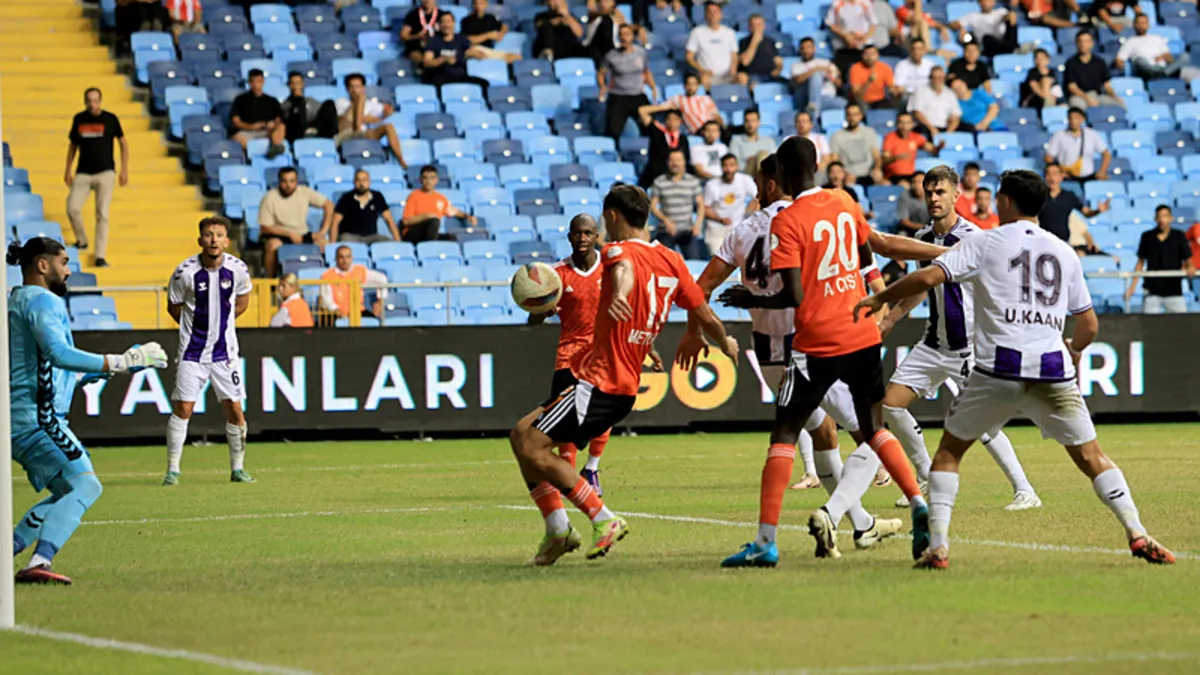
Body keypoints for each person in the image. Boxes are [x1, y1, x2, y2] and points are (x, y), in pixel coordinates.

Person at [854, 169, 1176, 569]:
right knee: (1092, 456)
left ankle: (938, 547)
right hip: (1053, 370)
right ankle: (1137, 531)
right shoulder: (1064, 251)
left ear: (1004, 202)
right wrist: (1074, 348)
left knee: (949, 454)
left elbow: (927, 276)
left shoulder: (985, 241)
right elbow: (1089, 324)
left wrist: (881, 297)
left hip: (998, 368)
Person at [715, 136, 945, 562]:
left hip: (817, 341)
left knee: (784, 433)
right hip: (861, 333)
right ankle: (918, 503)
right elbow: (873, 251)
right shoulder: (844, 201)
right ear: (818, 165)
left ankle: (765, 543)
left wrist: (753, 300)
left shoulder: (789, 221)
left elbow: (794, 295)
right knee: (875, 427)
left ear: (781, 175)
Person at [685, 155, 904, 567]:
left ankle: (861, 522)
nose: (752, 189)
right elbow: (842, 269)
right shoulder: (811, 216)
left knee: (822, 435)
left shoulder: (742, 232)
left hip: (770, 352)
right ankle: (858, 513)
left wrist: (696, 331)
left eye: (755, 181)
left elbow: (701, 289)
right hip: (815, 344)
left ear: (770, 184)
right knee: (870, 433)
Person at [510, 183, 738, 566]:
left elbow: (626, 270)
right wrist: (725, 341)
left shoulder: (616, 252)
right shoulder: (674, 261)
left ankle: (601, 518)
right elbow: (703, 313)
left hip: (598, 381)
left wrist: (619, 294)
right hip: (622, 387)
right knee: (521, 435)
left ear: (612, 217)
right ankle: (557, 530)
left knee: (534, 446)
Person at [7, 238, 167, 585]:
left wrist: (108, 368)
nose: (69, 270)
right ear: (42, 265)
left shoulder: (17, 300)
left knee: (67, 491)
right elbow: (59, 354)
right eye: (63, 262)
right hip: (39, 420)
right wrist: (122, 361)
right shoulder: (42, 301)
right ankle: (39, 562)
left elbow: (47, 368)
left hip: (22, 418)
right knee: (86, 486)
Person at [881, 177, 1041, 513]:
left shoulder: (975, 239)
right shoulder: (923, 238)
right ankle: (924, 475)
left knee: (983, 424)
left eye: (940, 192)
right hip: (933, 343)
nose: (933, 198)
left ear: (956, 195)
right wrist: (892, 318)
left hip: (968, 346)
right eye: (929, 193)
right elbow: (922, 286)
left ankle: (1025, 489)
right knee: (891, 405)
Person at [527, 215, 630, 496]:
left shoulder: (610, 269)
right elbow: (532, 320)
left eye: (588, 233)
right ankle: (568, 475)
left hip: (604, 351)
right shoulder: (556, 274)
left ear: (596, 236)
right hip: (569, 355)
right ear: (569, 236)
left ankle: (592, 468)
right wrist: (541, 311)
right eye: (577, 234)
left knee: (603, 416)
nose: (582, 239)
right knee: (567, 420)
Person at [163, 216, 255, 487]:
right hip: (192, 353)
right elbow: (174, 307)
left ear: (227, 240)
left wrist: (221, 324)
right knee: (183, 408)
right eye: (208, 235)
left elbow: (243, 301)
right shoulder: (184, 272)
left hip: (225, 355)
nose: (213, 239)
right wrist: (197, 326)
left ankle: (238, 469)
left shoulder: (238, 269)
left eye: (218, 235)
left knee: (235, 410)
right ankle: (173, 470)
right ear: (200, 240)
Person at [65, 87, 128, 269]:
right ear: (85, 102)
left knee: (102, 213)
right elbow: (73, 146)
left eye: (95, 100)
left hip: (105, 172)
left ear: (100, 101)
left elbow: (123, 143)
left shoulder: (110, 119)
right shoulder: (79, 119)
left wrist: (124, 169)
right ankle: (82, 240)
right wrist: (68, 169)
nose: (92, 104)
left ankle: (100, 255)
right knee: (72, 207)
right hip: (83, 171)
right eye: (89, 101)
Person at [259, 167, 334, 278]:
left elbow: (329, 205)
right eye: (284, 181)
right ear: (279, 182)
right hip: (280, 235)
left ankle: (325, 280)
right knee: (272, 245)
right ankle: (270, 282)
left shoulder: (304, 191)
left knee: (325, 244)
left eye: (292, 181)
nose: (288, 185)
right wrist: (290, 234)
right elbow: (265, 227)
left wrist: (323, 230)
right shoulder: (269, 197)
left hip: (302, 234)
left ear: (296, 181)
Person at [1125, 205, 1196, 313]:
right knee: (1148, 326)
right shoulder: (1147, 236)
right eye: (1159, 216)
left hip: (1174, 291)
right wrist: (1132, 288)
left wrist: (1190, 267)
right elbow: (1140, 263)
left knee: (1182, 325)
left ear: (1171, 218)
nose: (1162, 220)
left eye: (1165, 216)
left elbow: (1188, 259)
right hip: (1152, 291)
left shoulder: (1179, 236)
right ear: (1155, 219)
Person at [598, 23, 657, 141]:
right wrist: (603, 86)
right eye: (620, 35)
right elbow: (601, 72)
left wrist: (653, 87)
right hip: (618, 96)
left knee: (651, 127)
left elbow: (646, 71)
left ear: (632, 37)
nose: (623, 37)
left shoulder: (641, 53)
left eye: (626, 34)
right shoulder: (611, 55)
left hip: (637, 95)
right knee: (612, 131)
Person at [334, 75, 405, 167]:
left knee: (388, 127)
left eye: (358, 86)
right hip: (347, 133)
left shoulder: (369, 104)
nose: (355, 90)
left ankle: (401, 160)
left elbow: (389, 109)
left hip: (364, 134)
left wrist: (377, 119)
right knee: (360, 98)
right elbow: (341, 122)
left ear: (363, 87)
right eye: (352, 87)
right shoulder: (341, 102)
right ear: (347, 89)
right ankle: (358, 131)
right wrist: (364, 117)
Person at [651, 149, 707, 259]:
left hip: (687, 230)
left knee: (695, 259)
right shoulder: (659, 181)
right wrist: (666, 220)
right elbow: (653, 207)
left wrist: (697, 225)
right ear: (667, 162)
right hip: (666, 230)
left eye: (678, 160)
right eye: (672, 160)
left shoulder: (692, 181)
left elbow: (701, 205)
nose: (675, 163)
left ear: (684, 162)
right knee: (660, 260)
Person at [1041, 162, 1114, 245]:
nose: (1051, 178)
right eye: (1048, 174)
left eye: (1055, 174)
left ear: (1061, 176)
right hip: (1043, 242)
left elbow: (1086, 212)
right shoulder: (1039, 196)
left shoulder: (1069, 196)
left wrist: (1098, 211)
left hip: (1063, 242)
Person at [402, 165, 476, 242]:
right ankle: (431, 249)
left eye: (431, 178)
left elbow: (453, 211)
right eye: (425, 178)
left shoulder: (440, 198)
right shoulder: (414, 196)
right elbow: (406, 221)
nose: (428, 181)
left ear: (436, 180)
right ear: (420, 180)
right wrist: (427, 216)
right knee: (433, 221)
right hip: (413, 233)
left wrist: (467, 216)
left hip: (430, 234)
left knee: (452, 239)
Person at [423, 14, 494, 94]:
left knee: (483, 83)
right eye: (443, 22)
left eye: (448, 21)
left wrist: (471, 54)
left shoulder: (461, 39)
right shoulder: (433, 41)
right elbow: (427, 62)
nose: (446, 25)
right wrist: (443, 59)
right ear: (439, 25)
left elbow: (477, 54)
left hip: (460, 76)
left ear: (453, 23)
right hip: (442, 77)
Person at [702, 153, 758, 254]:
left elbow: (757, 197)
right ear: (721, 167)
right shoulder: (711, 185)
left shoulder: (745, 180)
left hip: (738, 227)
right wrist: (720, 219)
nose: (728, 169)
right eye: (725, 165)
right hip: (716, 228)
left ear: (737, 166)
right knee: (718, 259)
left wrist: (747, 212)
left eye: (732, 165)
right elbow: (705, 208)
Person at [1114, 13, 1192, 81]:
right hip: (1145, 70)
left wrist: (1162, 56)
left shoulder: (1157, 38)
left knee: (1185, 56)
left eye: (1144, 23)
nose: (1141, 25)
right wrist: (1124, 70)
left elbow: (1169, 58)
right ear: (1134, 25)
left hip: (1161, 67)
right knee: (1139, 60)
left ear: (1148, 24)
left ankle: (1162, 73)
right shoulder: (1130, 41)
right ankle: (1161, 74)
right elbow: (1120, 59)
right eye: (1139, 23)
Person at [332, 169, 401, 244]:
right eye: (358, 180)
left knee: (388, 244)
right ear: (354, 182)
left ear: (369, 182)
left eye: (364, 180)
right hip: (351, 236)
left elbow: (389, 219)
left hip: (372, 237)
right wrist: (332, 244)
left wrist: (398, 241)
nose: (361, 184)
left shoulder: (377, 196)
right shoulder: (346, 198)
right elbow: (335, 221)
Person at [641, 73, 721, 135]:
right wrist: (664, 107)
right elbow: (662, 106)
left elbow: (716, 115)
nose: (691, 87)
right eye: (688, 84)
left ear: (698, 86)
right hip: (699, 131)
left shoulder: (706, 99)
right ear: (684, 86)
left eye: (693, 84)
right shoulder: (678, 99)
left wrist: (723, 128)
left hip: (713, 127)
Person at [320, 245, 388, 318]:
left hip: (358, 311)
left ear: (352, 258)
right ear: (336, 259)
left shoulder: (360, 270)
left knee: (373, 323)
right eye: (341, 257)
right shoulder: (327, 276)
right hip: (335, 313)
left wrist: (380, 302)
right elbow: (326, 299)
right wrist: (337, 311)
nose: (345, 260)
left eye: (348, 257)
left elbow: (382, 279)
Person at [230, 69, 286, 157]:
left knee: (281, 127)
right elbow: (235, 122)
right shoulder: (240, 100)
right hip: (247, 133)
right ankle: (259, 152)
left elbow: (278, 119)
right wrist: (252, 127)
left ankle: (274, 147)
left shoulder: (272, 101)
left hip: (267, 131)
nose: (256, 85)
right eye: (253, 82)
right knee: (237, 138)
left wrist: (272, 125)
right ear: (249, 83)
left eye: (258, 82)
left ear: (263, 81)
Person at [1044, 107, 1111, 181]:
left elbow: (1106, 154)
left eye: (1076, 118)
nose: (1073, 121)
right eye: (1070, 118)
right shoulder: (1059, 135)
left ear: (1082, 119)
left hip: (1088, 176)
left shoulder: (1092, 134)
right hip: (1067, 177)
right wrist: (1059, 171)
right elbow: (1049, 158)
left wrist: (1102, 171)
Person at [686, 2, 739, 89]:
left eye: (715, 12)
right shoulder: (697, 32)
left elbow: (734, 56)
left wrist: (733, 68)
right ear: (705, 15)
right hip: (707, 76)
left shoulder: (729, 33)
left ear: (721, 14)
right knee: (704, 80)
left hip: (727, 75)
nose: (712, 15)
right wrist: (702, 70)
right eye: (709, 12)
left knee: (742, 78)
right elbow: (689, 57)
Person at [1064, 31, 1123, 110]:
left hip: (1097, 96)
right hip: (1079, 97)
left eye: (1086, 41)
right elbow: (1072, 87)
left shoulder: (1100, 62)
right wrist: (1087, 98)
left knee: (1119, 105)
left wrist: (1115, 97)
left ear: (1092, 43)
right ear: (1076, 43)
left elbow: (1107, 85)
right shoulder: (1071, 63)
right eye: (1080, 41)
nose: (1083, 44)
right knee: (1077, 108)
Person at [790, 37, 846, 118]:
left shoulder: (825, 62)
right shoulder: (795, 66)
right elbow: (797, 80)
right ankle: (813, 109)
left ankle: (814, 109)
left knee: (846, 105)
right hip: (806, 99)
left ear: (814, 48)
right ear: (800, 50)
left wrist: (830, 75)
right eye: (802, 48)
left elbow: (839, 84)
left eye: (808, 47)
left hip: (827, 99)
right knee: (816, 75)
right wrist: (816, 69)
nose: (805, 51)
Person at [829, 103, 884, 185]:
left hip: (869, 173)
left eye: (855, 115)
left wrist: (877, 169)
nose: (852, 118)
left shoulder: (869, 132)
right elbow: (835, 160)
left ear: (860, 116)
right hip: (848, 176)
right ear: (845, 116)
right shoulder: (836, 136)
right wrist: (845, 174)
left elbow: (877, 156)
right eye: (849, 115)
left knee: (881, 179)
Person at [637, 108, 691, 187]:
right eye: (669, 119)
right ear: (665, 121)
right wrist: (667, 106)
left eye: (675, 120)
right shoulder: (657, 133)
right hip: (655, 175)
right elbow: (642, 111)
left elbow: (686, 159)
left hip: (675, 176)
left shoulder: (683, 139)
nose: (672, 122)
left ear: (680, 122)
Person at [825, 0, 877, 80]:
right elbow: (830, 23)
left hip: (862, 47)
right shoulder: (837, 3)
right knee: (844, 76)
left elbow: (873, 24)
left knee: (863, 76)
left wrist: (863, 39)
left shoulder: (865, 3)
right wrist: (845, 36)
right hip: (844, 46)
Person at [282, 72, 339, 143]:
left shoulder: (310, 100)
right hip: (298, 133)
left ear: (302, 84)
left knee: (329, 103)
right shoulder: (286, 104)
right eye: (293, 83)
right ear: (289, 85)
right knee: (298, 104)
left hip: (315, 129)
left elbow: (322, 113)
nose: (295, 86)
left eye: (298, 83)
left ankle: (332, 137)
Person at [881, 112, 938, 182]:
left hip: (911, 176)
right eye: (901, 123)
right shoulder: (889, 137)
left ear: (912, 124)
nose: (904, 126)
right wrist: (896, 157)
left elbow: (932, 149)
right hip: (893, 176)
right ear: (897, 124)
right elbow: (884, 160)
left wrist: (939, 147)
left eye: (907, 123)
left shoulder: (916, 137)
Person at [948, 0, 1017, 57]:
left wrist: (1010, 16)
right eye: (983, 1)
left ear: (994, 2)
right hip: (987, 47)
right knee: (987, 38)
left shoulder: (1001, 12)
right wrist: (961, 28)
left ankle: (1012, 47)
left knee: (1012, 21)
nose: (985, 3)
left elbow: (1007, 16)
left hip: (1003, 42)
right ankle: (1013, 49)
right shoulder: (973, 16)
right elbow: (953, 24)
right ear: (979, 3)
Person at [908, 67, 961, 138]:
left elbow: (956, 115)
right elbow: (917, 113)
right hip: (926, 127)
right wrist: (932, 128)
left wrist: (949, 132)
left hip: (944, 128)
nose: (938, 80)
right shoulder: (920, 91)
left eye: (940, 78)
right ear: (930, 78)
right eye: (935, 78)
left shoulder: (949, 93)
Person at [736, 13, 783, 87]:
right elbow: (745, 62)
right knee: (754, 86)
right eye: (753, 25)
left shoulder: (770, 41)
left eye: (758, 25)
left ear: (764, 26)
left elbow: (778, 60)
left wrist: (778, 69)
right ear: (749, 27)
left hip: (770, 74)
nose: (756, 28)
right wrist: (754, 42)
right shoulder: (744, 42)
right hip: (754, 75)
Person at [399, 0, 446, 67]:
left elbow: (449, 34)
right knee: (418, 57)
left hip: (437, 47)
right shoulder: (413, 14)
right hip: (417, 48)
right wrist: (417, 36)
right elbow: (403, 35)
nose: (427, 1)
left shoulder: (442, 15)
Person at [583, 0, 628, 65]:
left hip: (614, 50)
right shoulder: (595, 17)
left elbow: (626, 31)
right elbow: (591, 8)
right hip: (593, 49)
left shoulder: (619, 18)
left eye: (606, 1)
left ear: (613, 3)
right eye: (601, 1)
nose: (603, 4)